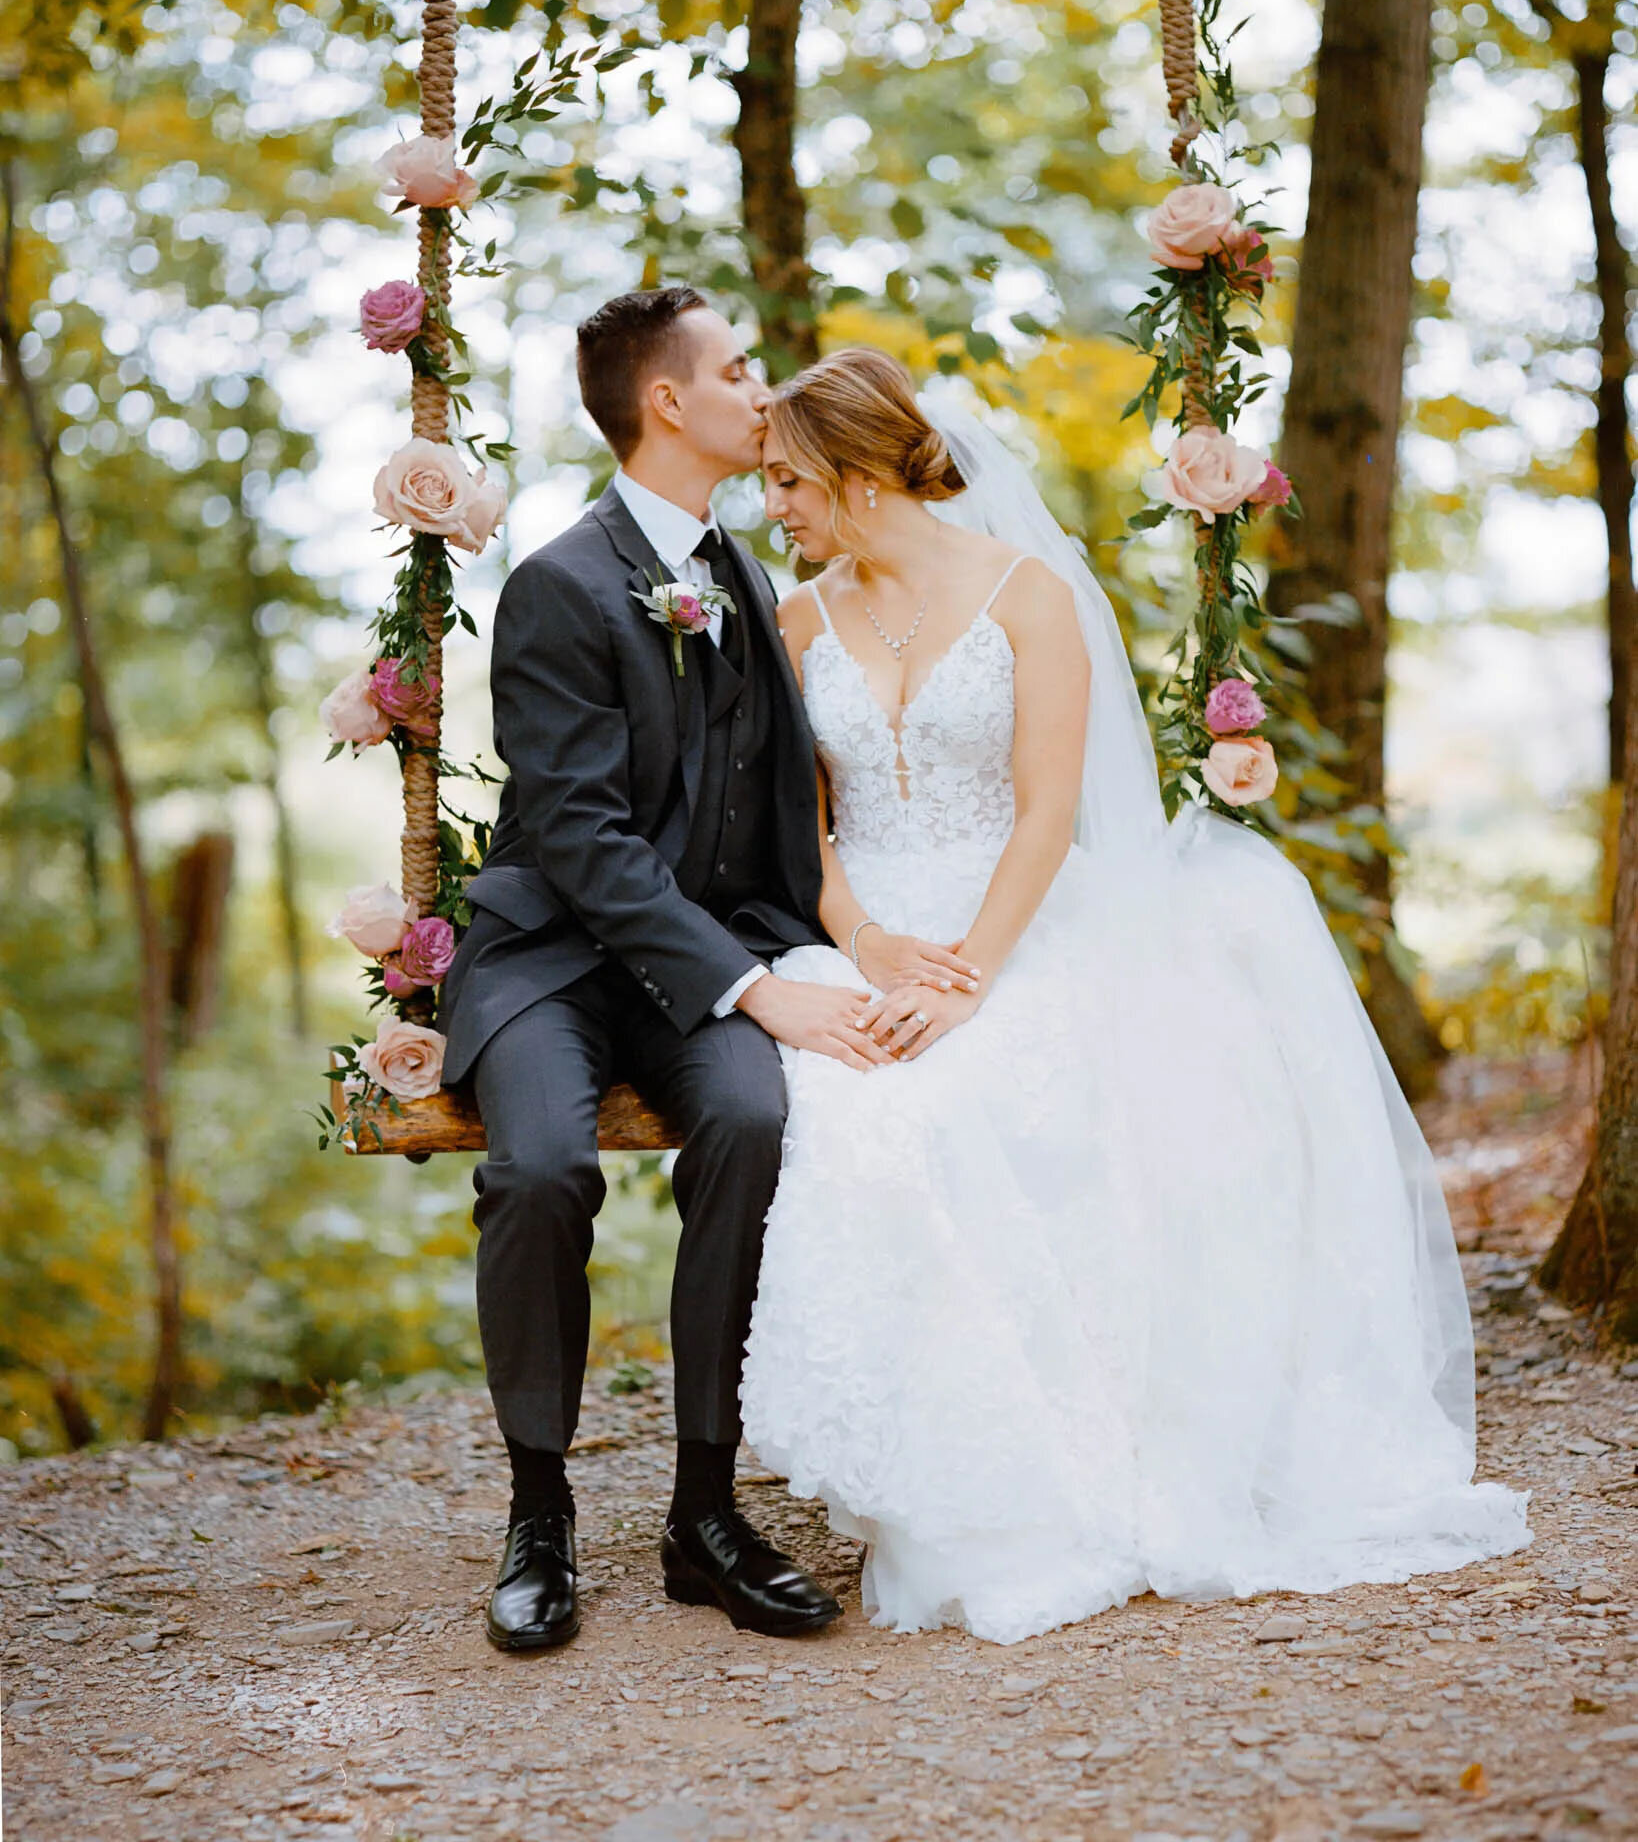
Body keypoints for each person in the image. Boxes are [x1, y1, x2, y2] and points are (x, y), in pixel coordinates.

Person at [738, 347, 1531, 1646]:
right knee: (857, 1119)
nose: (774, 505)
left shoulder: (1026, 594)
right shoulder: (798, 619)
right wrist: (871, 943)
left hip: (1019, 922)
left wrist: (971, 978)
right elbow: (804, 832)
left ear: (860, 469)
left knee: (1006, 1091)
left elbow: (1049, 809)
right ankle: (941, 1474)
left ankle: (1064, 1469)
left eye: (787, 480)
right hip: (871, 936)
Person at [437, 289, 902, 1651]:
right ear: (667, 403)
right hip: (555, 966)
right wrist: (759, 992)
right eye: (740, 369)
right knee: (537, 1169)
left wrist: (845, 944)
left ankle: (705, 1513)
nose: (766, 392)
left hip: (705, 963)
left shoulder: (743, 572)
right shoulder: (558, 584)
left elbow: (778, 804)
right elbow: (578, 839)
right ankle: (539, 1515)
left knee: (755, 1121)